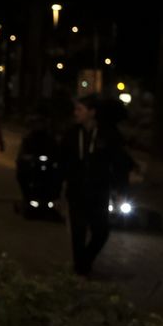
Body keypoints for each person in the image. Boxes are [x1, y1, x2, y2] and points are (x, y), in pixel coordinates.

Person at [60, 94, 133, 276]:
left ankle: (85, 261)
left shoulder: (108, 135)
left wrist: (121, 190)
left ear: (92, 112)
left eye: (80, 109)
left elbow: (119, 164)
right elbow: (62, 162)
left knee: (101, 231)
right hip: (76, 192)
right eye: (75, 109)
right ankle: (80, 271)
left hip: (99, 192)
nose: (75, 113)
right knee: (78, 232)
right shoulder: (71, 134)